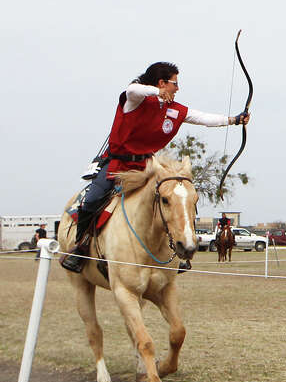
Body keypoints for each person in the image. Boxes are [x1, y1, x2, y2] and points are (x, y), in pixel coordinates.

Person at [61, 62, 249, 273]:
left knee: (173, 201)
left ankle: (178, 251)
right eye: (174, 83)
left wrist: (234, 120)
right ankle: (81, 247)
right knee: (92, 200)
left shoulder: (174, 109)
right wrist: (156, 92)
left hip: (148, 167)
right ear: (161, 83)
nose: (177, 88)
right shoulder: (137, 101)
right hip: (118, 164)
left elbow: (202, 117)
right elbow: (132, 89)